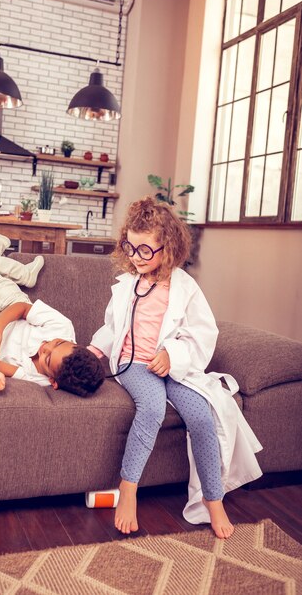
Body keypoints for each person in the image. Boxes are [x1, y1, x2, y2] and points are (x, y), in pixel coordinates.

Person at [89, 197, 262, 539]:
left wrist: (173, 354)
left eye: (145, 251)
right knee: (151, 408)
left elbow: (202, 332)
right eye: (131, 247)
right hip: (133, 364)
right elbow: (113, 326)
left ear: (166, 249)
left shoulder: (185, 288)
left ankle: (214, 499)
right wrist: (95, 349)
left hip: (174, 367)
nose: (136, 257)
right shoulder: (127, 285)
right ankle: (128, 489)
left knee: (201, 415)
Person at [0, 220, 105, 396]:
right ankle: (23, 273)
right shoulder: (62, 327)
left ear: (53, 381)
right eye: (58, 342)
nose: (46, 347)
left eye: (48, 358)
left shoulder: (35, 377)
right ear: (74, 343)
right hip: (6, 302)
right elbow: (23, 308)